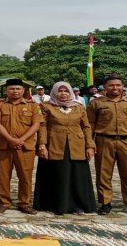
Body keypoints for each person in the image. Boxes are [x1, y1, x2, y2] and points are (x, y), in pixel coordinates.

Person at [87, 73, 127, 218]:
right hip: (104, 140)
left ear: (123, 87)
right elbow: (90, 124)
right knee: (103, 173)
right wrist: (90, 143)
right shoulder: (96, 103)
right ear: (105, 87)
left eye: (118, 85)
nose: (115, 88)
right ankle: (105, 202)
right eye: (111, 85)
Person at [34, 81, 96, 215]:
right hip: (55, 144)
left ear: (71, 92)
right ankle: (55, 204)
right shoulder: (46, 106)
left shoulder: (79, 107)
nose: (63, 94)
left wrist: (90, 145)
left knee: (77, 176)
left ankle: (77, 205)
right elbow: (42, 126)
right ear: (55, 92)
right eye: (60, 91)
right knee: (58, 174)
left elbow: (86, 127)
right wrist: (42, 144)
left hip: (76, 145)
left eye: (66, 91)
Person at [0, 78, 44, 214]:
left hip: (25, 146)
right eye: (11, 89)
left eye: (18, 89)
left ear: (23, 90)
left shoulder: (33, 105)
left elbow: (36, 124)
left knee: (25, 176)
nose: (15, 91)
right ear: (6, 90)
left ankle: (24, 203)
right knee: (3, 176)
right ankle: (4, 202)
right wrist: (10, 139)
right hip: (3, 146)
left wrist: (20, 140)